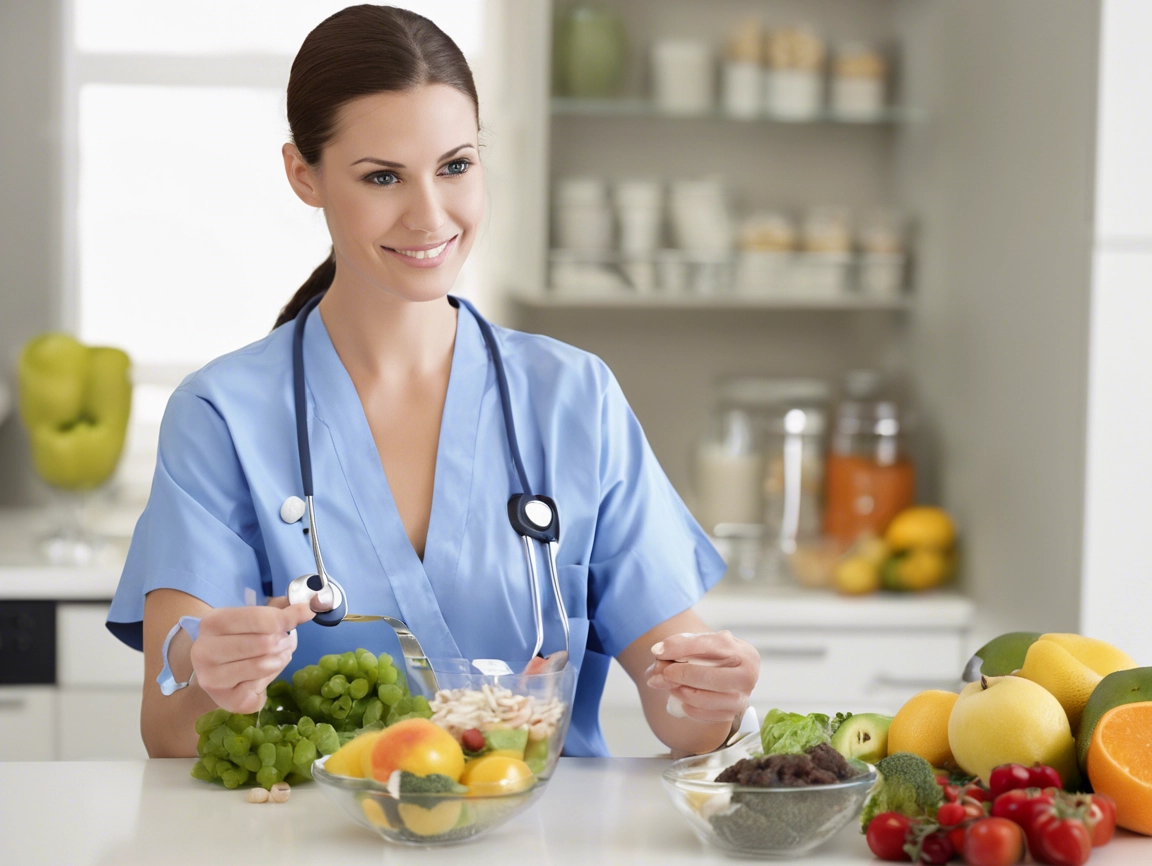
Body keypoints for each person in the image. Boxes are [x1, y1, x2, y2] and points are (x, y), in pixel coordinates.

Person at [107, 4, 759, 759]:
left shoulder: (574, 398)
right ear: (303, 175)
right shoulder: (221, 416)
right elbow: (170, 731)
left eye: (455, 166)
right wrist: (215, 682)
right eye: (383, 176)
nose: (429, 215)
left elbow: (677, 705)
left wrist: (711, 693)